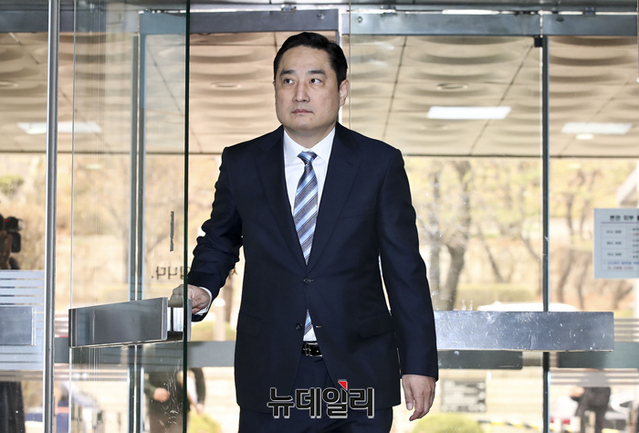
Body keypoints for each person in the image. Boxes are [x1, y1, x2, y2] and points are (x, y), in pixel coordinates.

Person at [173, 31, 438, 432]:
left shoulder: (378, 163)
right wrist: (203, 287)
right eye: (288, 80)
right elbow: (220, 238)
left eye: (315, 80)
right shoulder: (243, 162)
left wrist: (418, 363)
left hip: (358, 372)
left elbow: (405, 270)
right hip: (272, 372)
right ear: (275, 89)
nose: (300, 93)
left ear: (341, 90)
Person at [144, 367, 206, 433]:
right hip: (156, 409)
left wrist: (200, 401)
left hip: (180, 409)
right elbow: (138, 372)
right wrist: (152, 391)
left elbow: (199, 375)